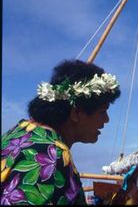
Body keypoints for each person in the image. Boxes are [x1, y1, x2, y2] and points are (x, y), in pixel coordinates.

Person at [1, 59, 121, 205]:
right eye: (103, 111)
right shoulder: (51, 157)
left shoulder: (17, 133)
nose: (107, 120)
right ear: (77, 112)